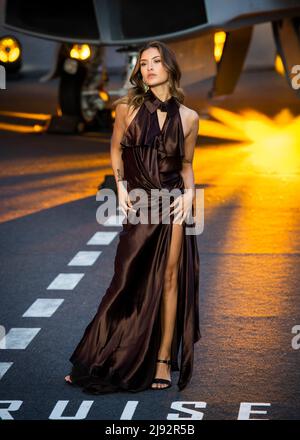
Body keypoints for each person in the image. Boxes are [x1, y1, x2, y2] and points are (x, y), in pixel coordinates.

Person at [64, 40, 201, 394]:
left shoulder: (189, 118)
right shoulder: (125, 107)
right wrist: (121, 186)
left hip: (171, 203)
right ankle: (96, 356)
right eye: (143, 63)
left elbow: (186, 166)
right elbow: (115, 148)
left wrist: (189, 195)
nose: (149, 68)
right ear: (138, 71)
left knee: (170, 279)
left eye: (156, 61)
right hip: (139, 201)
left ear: (169, 68)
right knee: (124, 278)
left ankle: (162, 360)